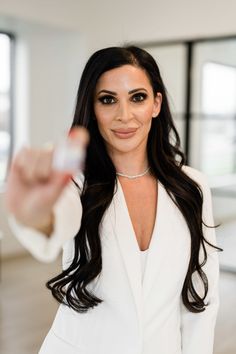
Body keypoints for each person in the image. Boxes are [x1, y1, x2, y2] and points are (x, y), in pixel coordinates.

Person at [5, 46, 221, 354]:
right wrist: (35, 216)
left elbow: (203, 295)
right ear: (92, 107)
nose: (124, 115)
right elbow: (53, 221)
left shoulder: (192, 186)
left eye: (138, 97)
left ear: (156, 104)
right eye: (108, 99)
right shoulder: (75, 183)